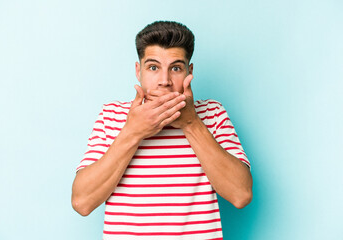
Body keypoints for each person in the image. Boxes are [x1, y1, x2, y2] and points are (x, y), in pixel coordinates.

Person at [71, 20, 253, 240]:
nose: (164, 81)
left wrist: (191, 123)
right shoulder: (112, 115)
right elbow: (82, 202)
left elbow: (241, 195)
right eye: (153, 67)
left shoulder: (212, 113)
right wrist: (133, 132)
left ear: (190, 71)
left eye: (175, 68)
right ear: (139, 71)